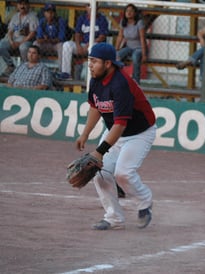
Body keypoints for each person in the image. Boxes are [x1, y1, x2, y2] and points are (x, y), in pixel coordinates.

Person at [75, 43, 156, 230]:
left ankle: (144, 203)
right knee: (100, 173)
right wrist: (85, 134)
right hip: (115, 131)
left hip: (139, 133)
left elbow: (121, 124)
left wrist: (99, 151)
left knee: (123, 173)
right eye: (90, 61)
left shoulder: (121, 84)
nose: (90, 65)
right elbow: (95, 107)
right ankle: (114, 218)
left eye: (94, 61)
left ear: (108, 63)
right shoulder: (96, 79)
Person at [55, 3, 108, 80]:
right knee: (67, 45)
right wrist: (78, 45)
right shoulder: (82, 18)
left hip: (95, 45)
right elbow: (77, 34)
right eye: (89, 6)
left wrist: (90, 43)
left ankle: (91, 75)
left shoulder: (102, 19)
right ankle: (66, 74)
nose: (91, 8)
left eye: (94, 6)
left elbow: (102, 37)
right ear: (86, 8)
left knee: (92, 47)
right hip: (82, 45)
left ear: (98, 8)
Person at [0, 0, 38, 76]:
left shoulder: (32, 16)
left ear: (28, 5)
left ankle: (25, 68)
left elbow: (32, 33)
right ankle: (10, 66)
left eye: (24, 4)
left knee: (23, 47)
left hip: (27, 41)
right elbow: (10, 31)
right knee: (2, 45)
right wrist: (11, 41)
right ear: (17, 5)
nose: (22, 6)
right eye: (20, 4)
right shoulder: (15, 16)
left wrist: (20, 43)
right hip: (14, 40)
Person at [115, 4, 147, 84]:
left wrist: (144, 54)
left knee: (135, 57)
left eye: (131, 11)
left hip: (139, 48)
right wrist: (115, 49)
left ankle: (136, 81)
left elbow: (143, 39)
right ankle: (119, 79)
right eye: (127, 11)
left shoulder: (139, 23)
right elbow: (120, 37)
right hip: (129, 47)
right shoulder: (123, 22)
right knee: (117, 56)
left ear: (135, 13)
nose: (128, 13)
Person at [33, 3, 69, 72]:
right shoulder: (42, 21)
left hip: (56, 45)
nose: (50, 14)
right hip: (46, 44)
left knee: (61, 46)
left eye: (52, 12)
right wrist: (46, 40)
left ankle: (61, 71)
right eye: (47, 12)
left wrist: (47, 39)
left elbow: (60, 39)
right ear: (44, 13)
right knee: (35, 44)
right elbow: (38, 39)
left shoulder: (60, 21)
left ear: (55, 13)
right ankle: (34, 69)